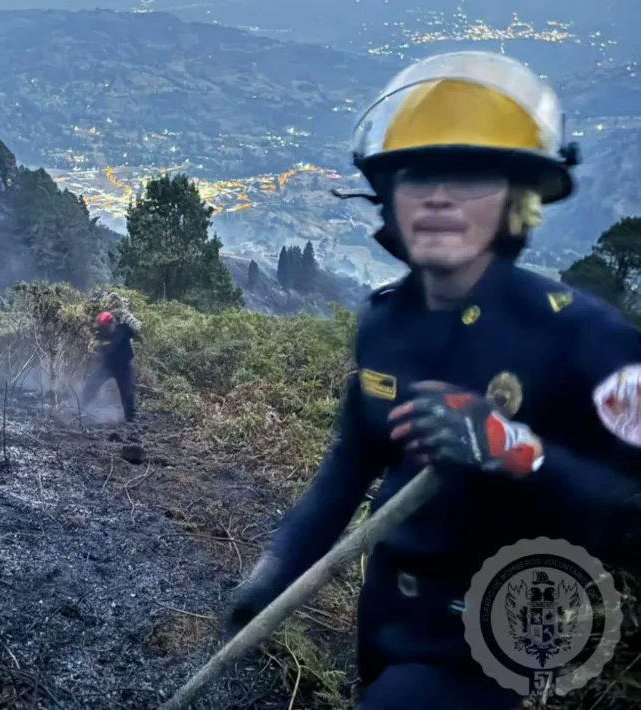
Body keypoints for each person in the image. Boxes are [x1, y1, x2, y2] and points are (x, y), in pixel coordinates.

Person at [223, 51, 641, 709]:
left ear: (518, 198)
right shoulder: (385, 325)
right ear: (389, 197)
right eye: (417, 174)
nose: (440, 195)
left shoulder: (584, 338)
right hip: (387, 614)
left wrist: (516, 452)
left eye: (470, 173)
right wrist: (275, 569)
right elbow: (348, 467)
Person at [81, 309, 141, 422]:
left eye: (105, 327)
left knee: (127, 391)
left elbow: (138, 335)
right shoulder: (100, 332)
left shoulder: (124, 328)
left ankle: (130, 417)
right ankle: (80, 407)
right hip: (108, 365)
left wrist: (134, 326)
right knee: (91, 384)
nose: (103, 329)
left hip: (124, 365)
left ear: (112, 322)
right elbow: (97, 346)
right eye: (101, 327)